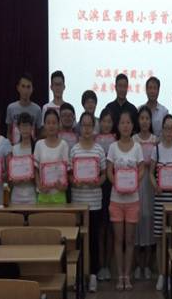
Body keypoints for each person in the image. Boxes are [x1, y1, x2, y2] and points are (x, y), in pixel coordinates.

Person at [107, 111, 145, 291]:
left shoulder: (137, 147)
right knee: (118, 239)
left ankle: (127, 276)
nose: (125, 126)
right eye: (122, 122)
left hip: (132, 199)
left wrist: (134, 182)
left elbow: (142, 169)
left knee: (130, 240)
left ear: (132, 125)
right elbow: (109, 171)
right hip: (116, 199)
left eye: (128, 122)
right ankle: (119, 275)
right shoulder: (112, 147)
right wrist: (117, 183)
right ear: (118, 125)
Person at [69, 112, 107, 292]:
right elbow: (70, 174)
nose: (86, 129)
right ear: (80, 127)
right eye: (83, 125)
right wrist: (74, 181)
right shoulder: (74, 149)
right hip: (78, 201)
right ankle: (79, 275)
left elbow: (104, 174)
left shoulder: (99, 150)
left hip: (94, 202)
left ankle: (92, 275)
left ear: (94, 128)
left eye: (89, 125)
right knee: (78, 241)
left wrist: (97, 182)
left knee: (93, 240)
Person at [151, 115, 172, 290]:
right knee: (159, 239)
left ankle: (171, 274)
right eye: (166, 128)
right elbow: (150, 173)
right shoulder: (156, 149)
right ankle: (161, 274)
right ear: (162, 130)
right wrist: (155, 186)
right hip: (160, 200)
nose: (169, 131)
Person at [132, 106, 157, 281]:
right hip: (135, 183)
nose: (145, 121)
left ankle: (147, 265)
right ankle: (137, 266)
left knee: (149, 222)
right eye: (142, 118)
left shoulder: (156, 140)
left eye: (147, 118)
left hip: (151, 185)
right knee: (136, 222)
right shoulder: (133, 140)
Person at [95, 108, 117, 282]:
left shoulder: (117, 141)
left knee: (110, 229)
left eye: (109, 121)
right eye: (104, 121)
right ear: (100, 122)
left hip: (113, 186)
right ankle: (100, 264)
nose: (107, 124)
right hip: (97, 187)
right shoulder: (93, 140)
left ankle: (108, 266)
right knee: (100, 229)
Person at [34, 108, 69, 204]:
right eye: (48, 123)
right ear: (44, 125)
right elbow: (36, 169)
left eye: (54, 123)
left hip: (59, 194)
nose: (51, 126)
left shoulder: (64, 145)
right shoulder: (39, 144)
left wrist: (63, 186)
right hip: (43, 194)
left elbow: (67, 169)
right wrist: (39, 186)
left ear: (58, 125)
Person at [5, 72, 42, 144]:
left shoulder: (37, 109)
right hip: (15, 148)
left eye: (28, 87)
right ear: (18, 88)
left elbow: (38, 134)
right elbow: (9, 132)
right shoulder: (11, 108)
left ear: (32, 89)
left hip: (31, 147)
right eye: (23, 86)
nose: (25, 90)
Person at [10, 112, 36, 204]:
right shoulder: (14, 149)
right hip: (16, 194)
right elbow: (11, 176)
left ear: (32, 127)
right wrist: (14, 179)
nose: (25, 129)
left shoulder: (36, 147)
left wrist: (32, 178)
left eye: (27, 125)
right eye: (22, 126)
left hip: (32, 193)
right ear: (18, 127)